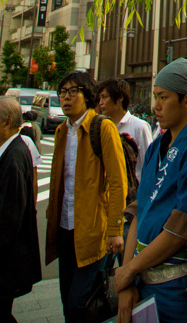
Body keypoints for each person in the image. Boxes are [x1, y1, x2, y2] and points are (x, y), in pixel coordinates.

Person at [113, 58, 187, 323]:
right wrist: (128, 278)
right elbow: (141, 209)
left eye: (163, 97)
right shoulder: (157, 145)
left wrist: (130, 270)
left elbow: (182, 229)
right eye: (155, 97)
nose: (156, 106)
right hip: (142, 279)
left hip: (179, 289)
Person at [46, 70, 127, 323]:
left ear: (87, 94)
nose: (65, 98)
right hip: (66, 229)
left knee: (80, 302)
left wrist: (115, 229)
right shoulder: (61, 131)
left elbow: (118, 182)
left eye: (73, 91)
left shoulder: (102, 127)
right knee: (67, 303)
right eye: (62, 92)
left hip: (93, 233)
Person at [0, 97, 41, 323]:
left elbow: (9, 216)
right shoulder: (12, 148)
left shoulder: (14, 154)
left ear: (6, 122)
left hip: (6, 261)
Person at [98, 77, 153, 184]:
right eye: (100, 98)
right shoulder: (102, 126)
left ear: (120, 98)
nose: (100, 103)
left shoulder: (139, 127)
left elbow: (149, 165)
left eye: (104, 97)